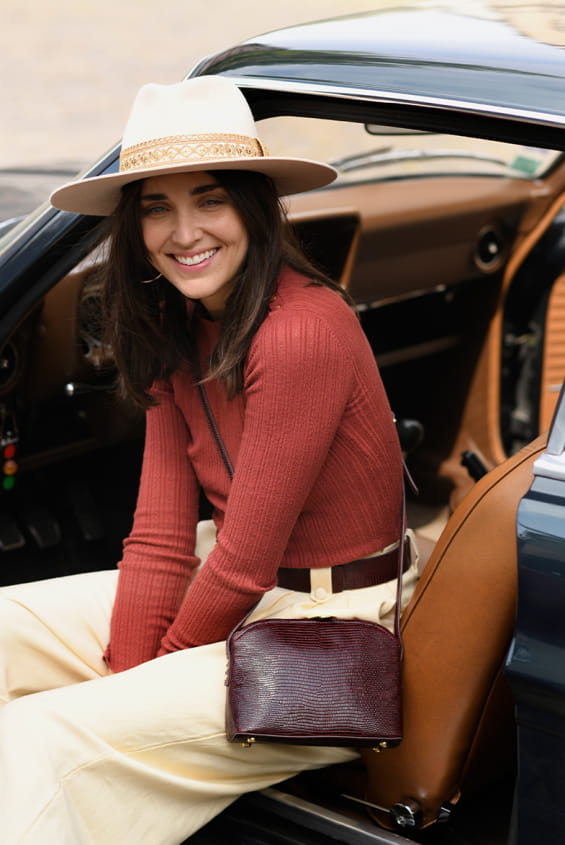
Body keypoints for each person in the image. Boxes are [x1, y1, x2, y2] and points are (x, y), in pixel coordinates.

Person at [0, 76, 418, 844]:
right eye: (156, 206)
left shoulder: (299, 331)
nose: (183, 231)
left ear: (254, 208)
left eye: (209, 199)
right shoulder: (176, 322)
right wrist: (129, 666)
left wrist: (139, 679)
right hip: (228, 581)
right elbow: (159, 533)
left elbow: (244, 565)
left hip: (331, 627)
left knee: (39, 739)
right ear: (133, 226)